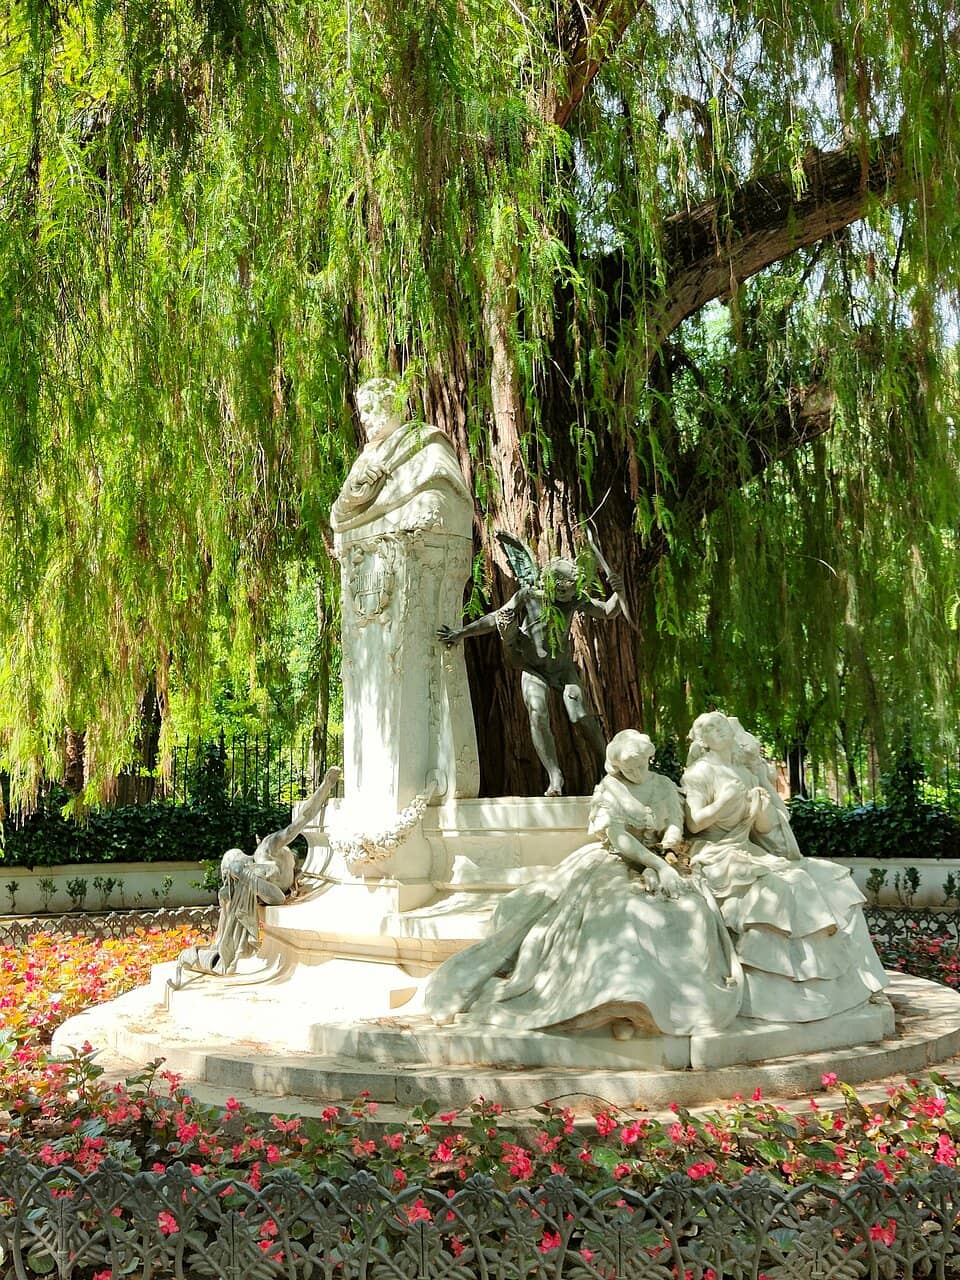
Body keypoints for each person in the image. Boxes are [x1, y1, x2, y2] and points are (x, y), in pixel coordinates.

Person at [424, 730, 743, 1038]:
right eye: (626, 766)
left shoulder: (662, 786)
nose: (633, 770)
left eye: (638, 763)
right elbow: (619, 839)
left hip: (664, 860)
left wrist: (669, 852)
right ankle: (617, 1004)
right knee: (622, 912)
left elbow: (675, 824)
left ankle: (668, 1005)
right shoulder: (610, 790)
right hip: (616, 860)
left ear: (649, 757)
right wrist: (656, 864)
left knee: (691, 909)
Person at [682, 712, 887, 1022]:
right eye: (709, 727)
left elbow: (763, 829)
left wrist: (762, 809)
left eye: (721, 724)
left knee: (830, 879)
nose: (718, 729)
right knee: (787, 885)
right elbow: (694, 823)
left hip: (748, 850)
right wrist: (722, 804)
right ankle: (784, 993)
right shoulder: (698, 774)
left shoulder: (745, 773)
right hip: (715, 853)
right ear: (701, 739)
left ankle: (851, 982)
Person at [438, 539, 622, 796]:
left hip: (562, 669)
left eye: (569, 592)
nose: (565, 598)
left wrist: (618, 592)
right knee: (537, 713)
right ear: (549, 585)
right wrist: (462, 633)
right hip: (533, 667)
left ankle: (608, 767)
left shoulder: (575, 599)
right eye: (561, 592)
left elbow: (608, 611)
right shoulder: (528, 596)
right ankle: (555, 776)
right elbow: (497, 617)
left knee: (580, 716)